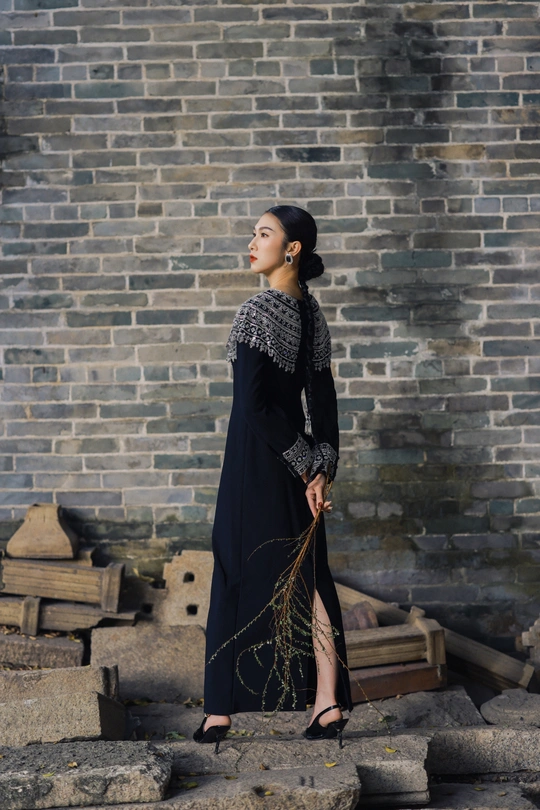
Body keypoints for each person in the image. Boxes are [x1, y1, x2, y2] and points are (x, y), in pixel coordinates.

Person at [193, 205, 353, 754]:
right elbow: (325, 407)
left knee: (233, 573)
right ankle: (327, 703)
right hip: (299, 464)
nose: (251, 242)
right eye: (253, 233)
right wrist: (319, 467)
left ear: (292, 249)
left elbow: (252, 407)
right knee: (311, 576)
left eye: (263, 233)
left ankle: (218, 711)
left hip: (256, 464)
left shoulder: (257, 311)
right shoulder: (313, 315)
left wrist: (304, 463)